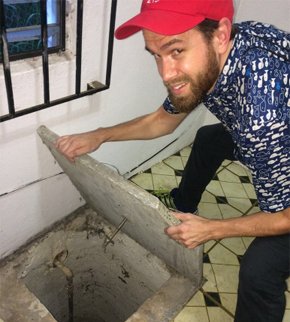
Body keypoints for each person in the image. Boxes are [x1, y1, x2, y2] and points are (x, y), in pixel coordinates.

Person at [56, 0, 290, 321]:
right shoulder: (236, 41)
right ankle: (183, 202)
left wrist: (213, 230)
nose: (166, 73)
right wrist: (99, 134)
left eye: (176, 50)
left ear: (219, 35)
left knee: (258, 273)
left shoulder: (262, 118)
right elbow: (162, 121)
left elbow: (285, 216)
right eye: (156, 54)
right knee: (209, 139)